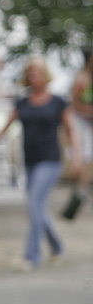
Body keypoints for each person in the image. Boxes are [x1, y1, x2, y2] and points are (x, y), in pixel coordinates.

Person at [0, 55, 83, 269]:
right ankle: (57, 246)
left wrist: (77, 157)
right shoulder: (22, 102)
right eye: (30, 73)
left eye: (37, 72)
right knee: (38, 208)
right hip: (30, 161)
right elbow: (5, 127)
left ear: (45, 75)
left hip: (51, 161)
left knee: (34, 204)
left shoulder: (57, 102)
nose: (34, 77)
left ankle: (31, 256)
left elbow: (71, 131)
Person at [64, 47, 93, 218]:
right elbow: (75, 104)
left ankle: (81, 189)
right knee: (84, 157)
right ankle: (79, 190)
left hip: (87, 122)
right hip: (80, 122)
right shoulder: (81, 78)